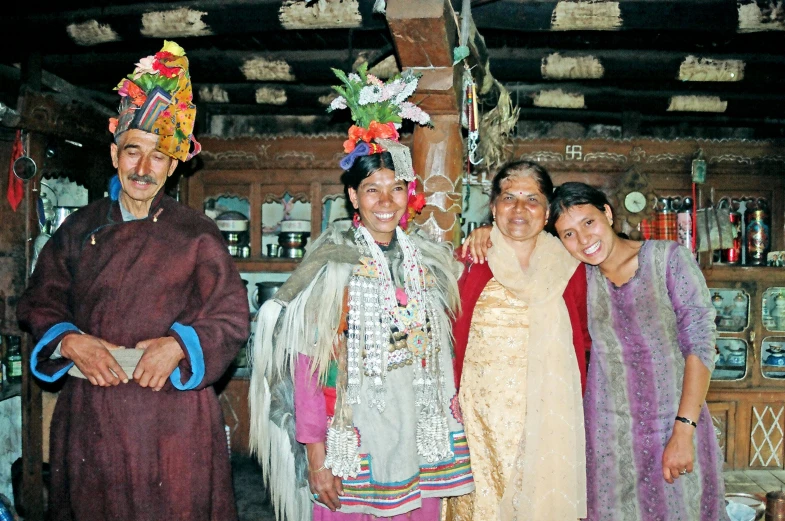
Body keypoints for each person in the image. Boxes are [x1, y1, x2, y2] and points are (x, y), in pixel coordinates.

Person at [17, 41, 249, 521]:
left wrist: (180, 346)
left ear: (175, 163)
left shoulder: (196, 233)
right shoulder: (78, 229)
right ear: (113, 153)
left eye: (158, 157)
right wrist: (70, 342)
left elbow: (230, 317)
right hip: (93, 414)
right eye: (133, 152)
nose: (143, 169)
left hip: (173, 417)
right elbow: (40, 302)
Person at [249, 65, 473, 521]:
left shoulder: (428, 262)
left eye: (395, 189)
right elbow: (309, 366)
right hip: (355, 439)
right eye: (372, 190)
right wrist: (316, 457)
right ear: (353, 196)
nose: (385, 201)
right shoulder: (333, 265)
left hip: (419, 435)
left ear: (409, 193)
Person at [549, 182, 728, 521]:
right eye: (568, 234)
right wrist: (486, 231)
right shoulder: (577, 278)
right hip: (607, 439)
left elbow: (701, 342)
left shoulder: (667, 259)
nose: (584, 240)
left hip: (673, 423)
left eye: (588, 222)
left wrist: (684, 430)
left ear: (607, 212)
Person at [446, 161, 589, 521]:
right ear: (493, 208)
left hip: (548, 412)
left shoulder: (569, 266)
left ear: (546, 213)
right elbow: (444, 333)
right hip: (477, 418)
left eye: (532, 199)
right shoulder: (470, 259)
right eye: (509, 197)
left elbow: (585, 342)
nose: (519, 208)